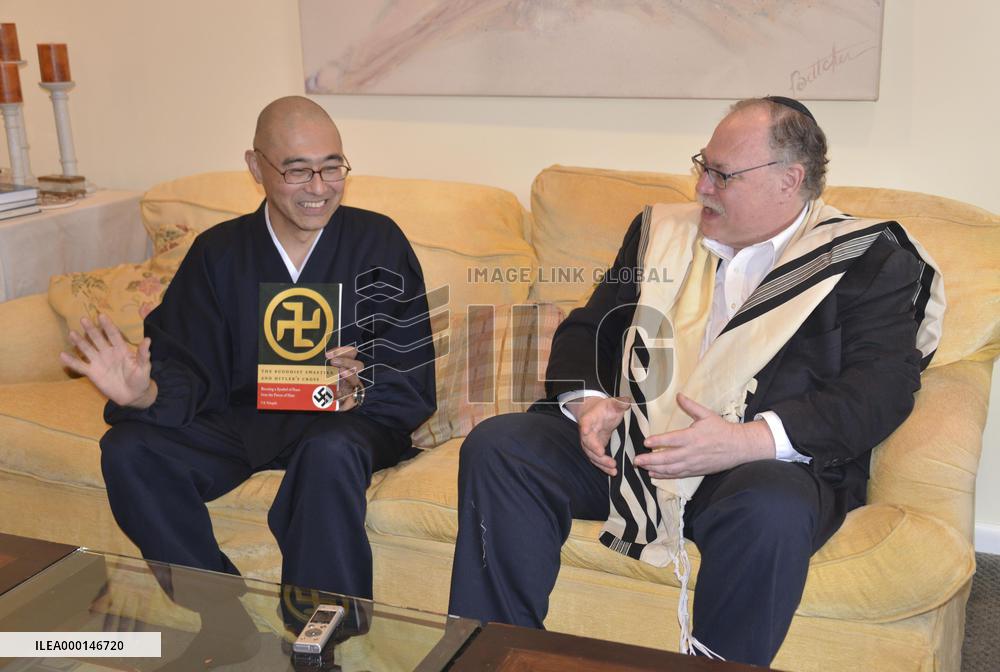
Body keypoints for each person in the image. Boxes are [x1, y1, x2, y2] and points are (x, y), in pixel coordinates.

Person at [447, 97, 944, 665]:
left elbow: (881, 388)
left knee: (773, 509)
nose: (702, 187)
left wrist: (749, 440)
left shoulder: (866, 257)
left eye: (722, 175)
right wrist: (588, 404)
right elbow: (591, 329)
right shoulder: (659, 232)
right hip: (631, 448)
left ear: (790, 180)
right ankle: (499, 653)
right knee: (502, 446)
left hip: (753, 468)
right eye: (702, 166)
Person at [60, 96, 436, 600]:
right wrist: (144, 392)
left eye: (332, 168)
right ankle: (220, 617)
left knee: (328, 451)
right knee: (130, 450)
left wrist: (363, 385)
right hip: (247, 418)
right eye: (298, 172)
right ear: (256, 167)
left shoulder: (378, 241)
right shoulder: (219, 252)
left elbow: (409, 366)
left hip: (347, 423)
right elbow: (186, 363)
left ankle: (319, 633)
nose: (320, 189)